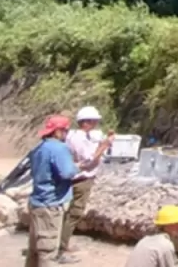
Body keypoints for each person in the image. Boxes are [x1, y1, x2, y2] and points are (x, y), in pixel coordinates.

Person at [59, 106, 115, 259]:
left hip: (79, 177)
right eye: (94, 121)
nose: (96, 124)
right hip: (81, 178)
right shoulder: (78, 138)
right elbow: (88, 160)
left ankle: (62, 242)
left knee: (72, 212)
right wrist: (104, 146)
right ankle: (62, 246)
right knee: (75, 212)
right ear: (87, 122)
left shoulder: (77, 136)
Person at [27, 115, 80, 266]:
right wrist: (77, 167)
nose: (66, 134)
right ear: (58, 131)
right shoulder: (59, 148)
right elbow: (67, 172)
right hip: (50, 204)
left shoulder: (38, 148)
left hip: (36, 202)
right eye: (65, 131)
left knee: (34, 250)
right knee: (48, 251)